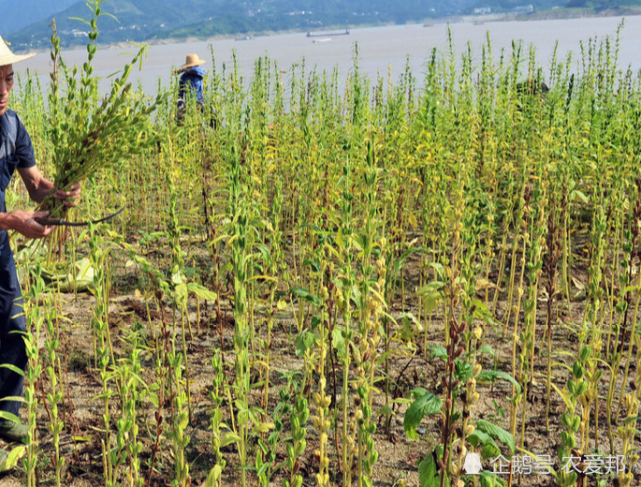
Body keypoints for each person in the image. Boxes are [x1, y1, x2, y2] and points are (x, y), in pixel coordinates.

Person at [0, 34, 81, 469]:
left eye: (9, 80)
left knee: (16, 331)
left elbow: (36, 186)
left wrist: (61, 191)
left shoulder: (12, 126)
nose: (2, 91)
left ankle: (5, 416)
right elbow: (13, 212)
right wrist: (13, 220)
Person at [174, 53, 207, 123]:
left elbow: (200, 71)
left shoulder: (200, 72)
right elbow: (180, 93)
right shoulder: (184, 77)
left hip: (201, 103)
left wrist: (183, 70)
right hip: (189, 105)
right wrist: (177, 106)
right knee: (179, 120)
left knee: (214, 121)